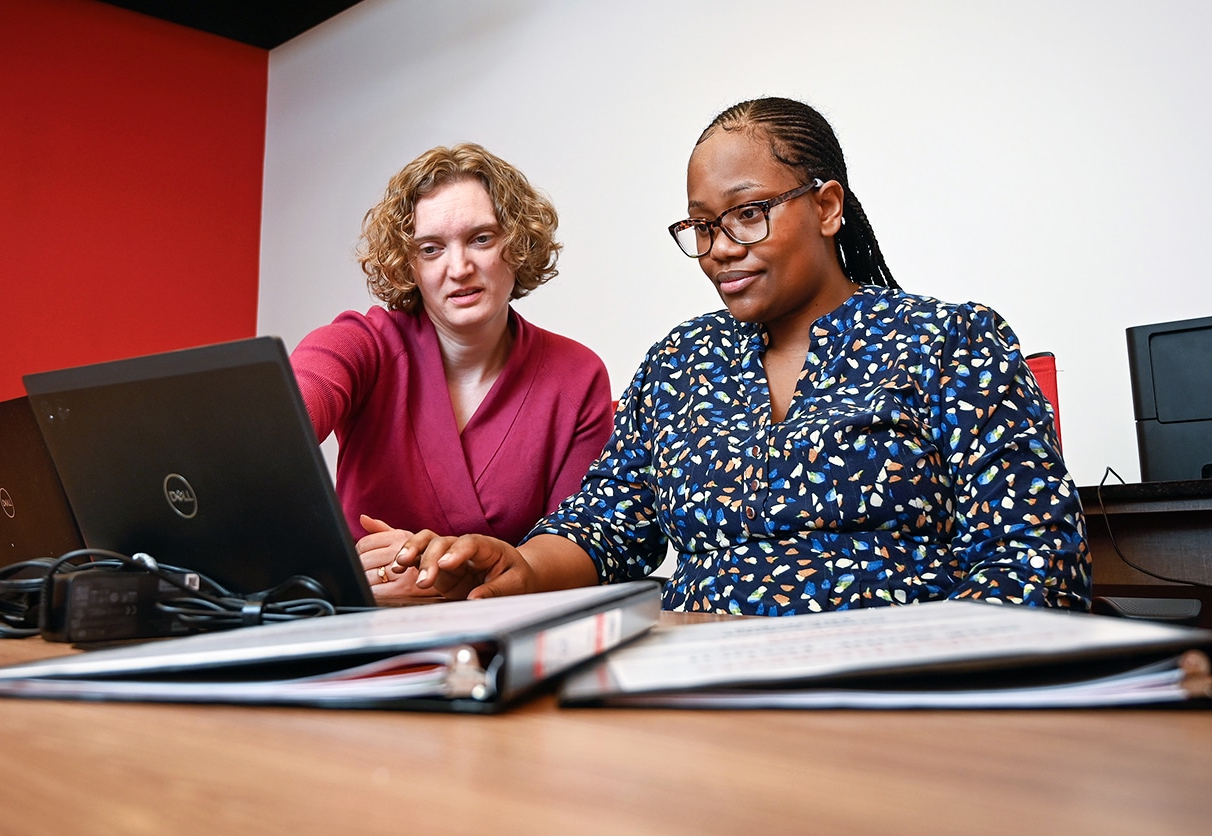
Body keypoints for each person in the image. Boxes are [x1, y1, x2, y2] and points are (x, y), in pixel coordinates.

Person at [395, 97, 1091, 614]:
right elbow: (604, 525)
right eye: (700, 226)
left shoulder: (951, 342)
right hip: (700, 697)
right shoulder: (679, 363)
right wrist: (516, 564)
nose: (720, 247)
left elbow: (1033, 566)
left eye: (747, 213)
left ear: (826, 207)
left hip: (904, 698)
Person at [290, 143, 614, 598]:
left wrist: (448, 574)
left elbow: (579, 547)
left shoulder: (576, 375)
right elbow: (272, 433)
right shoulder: (360, 345)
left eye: (481, 239)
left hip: (505, 631)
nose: (458, 268)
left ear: (517, 245)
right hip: (361, 620)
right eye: (431, 248)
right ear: (409, 264)